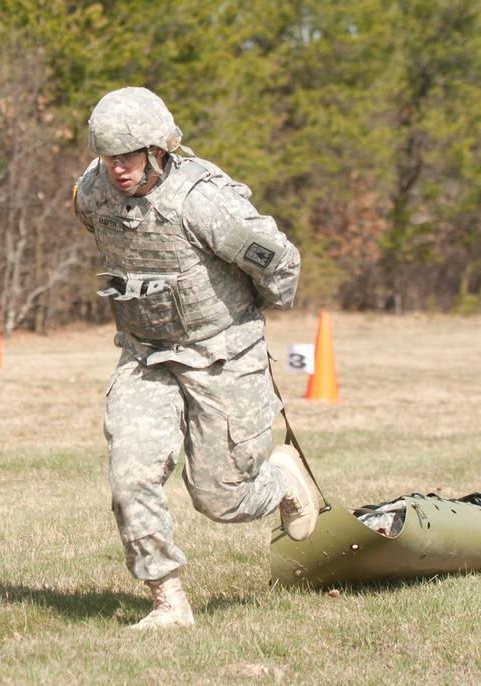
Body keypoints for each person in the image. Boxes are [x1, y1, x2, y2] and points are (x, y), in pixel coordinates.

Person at [72, 87, 318, 630]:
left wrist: (251, 313)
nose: (117, 168)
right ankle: (168, 602)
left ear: (159, 150)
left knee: (220, 498)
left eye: (128, 156)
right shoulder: (91, 193)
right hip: (145, 356)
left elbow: (279, 261)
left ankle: (282, 481)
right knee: (129, 478)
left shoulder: (203, 203)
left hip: (222, 355)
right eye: (109, 157)